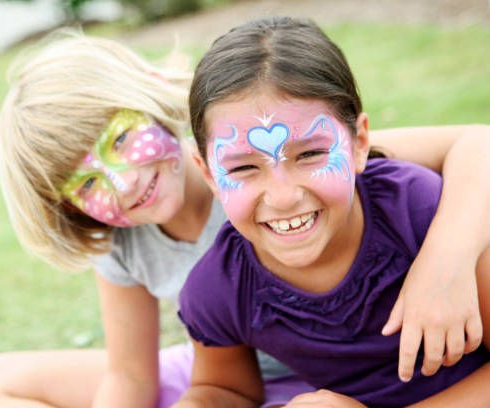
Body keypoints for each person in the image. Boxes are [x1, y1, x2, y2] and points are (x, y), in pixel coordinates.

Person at [0, 30, 490, 408]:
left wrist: (445, 261)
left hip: (382, 378)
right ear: (210, 169)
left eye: (120, 140)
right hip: (256, 376)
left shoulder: (321, 163)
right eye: (86, 183)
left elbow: (478, 143)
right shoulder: (191, 274)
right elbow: (142, 378)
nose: (122, 181)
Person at [176, 16, 490, 407]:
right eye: (242, 167)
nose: (284, 196)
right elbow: (224, 390)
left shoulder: (424, 213)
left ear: (359, 142)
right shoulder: (218, 289)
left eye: (310, 154)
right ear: (207, 172)